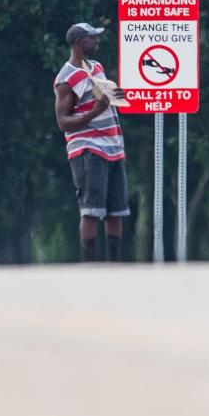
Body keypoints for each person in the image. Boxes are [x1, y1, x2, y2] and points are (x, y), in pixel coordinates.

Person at [54, 22, 129, 262]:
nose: (96, 41)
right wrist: (93, 113)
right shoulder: (65, 79)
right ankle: (91, 268)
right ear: (79, 43)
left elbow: (101, 99)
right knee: (91, 210)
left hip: (113, 146)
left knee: (115, 210)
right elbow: (63, 122)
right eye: (92, 38)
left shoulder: (96, 67)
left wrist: (116, 96)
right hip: (89, 149)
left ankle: (114, 266)